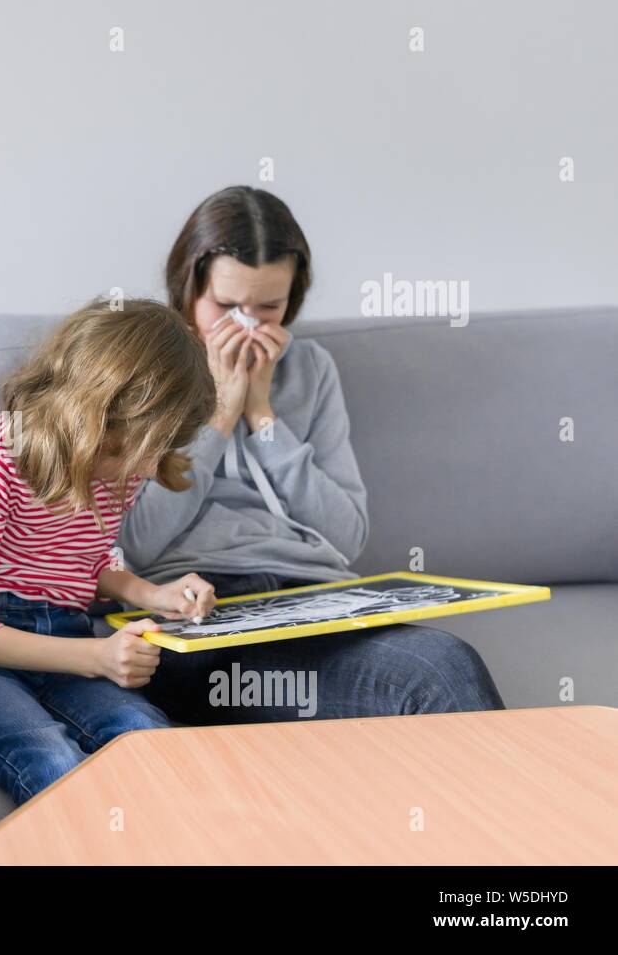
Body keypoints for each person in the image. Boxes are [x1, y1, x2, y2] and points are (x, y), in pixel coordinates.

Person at [117, 185, 505, 723]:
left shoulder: (312, 369)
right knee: (430, 677)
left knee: (446, 662)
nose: (247, 326)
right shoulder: (141, 365)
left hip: (313, 602)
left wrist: (263, 415)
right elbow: (136, 543)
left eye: (269, 308)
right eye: (226, 307)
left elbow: (345, 536)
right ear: (188, 291)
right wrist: (221, 417)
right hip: (200, 617)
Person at [0, 298, 220, 804]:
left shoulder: (117, 469)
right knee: (54, 765)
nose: (145, 471)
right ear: (93, 414)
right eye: (137, 450)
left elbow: (86, 560)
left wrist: (152, 594)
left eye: (158, 453)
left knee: (155, 747)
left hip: (67, 640)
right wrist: (97, 656)